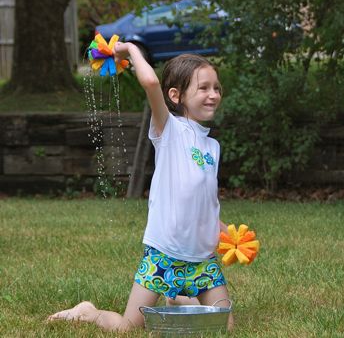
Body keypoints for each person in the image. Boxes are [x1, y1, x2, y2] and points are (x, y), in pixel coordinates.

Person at [48, 44, 233, 332]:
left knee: (224, 327)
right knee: (127, 328)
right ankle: (88, 312)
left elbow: (204, 202)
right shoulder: (168, 129)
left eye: (217, 88)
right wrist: (130, 49)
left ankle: (181, 298)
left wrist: (229, 233)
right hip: (164, 253)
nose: (213, 95)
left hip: (202, 260)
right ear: (176, 95)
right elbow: (150, 81)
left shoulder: (213, 147)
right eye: (204, 88)